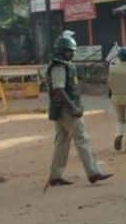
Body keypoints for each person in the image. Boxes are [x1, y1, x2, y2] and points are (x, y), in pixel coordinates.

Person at [46, 33, 112, 187]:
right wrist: (73, 108)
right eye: (70, 51)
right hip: (67, 110)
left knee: (62, 142)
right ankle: (93, 172)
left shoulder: (62, 65)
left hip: (61, 110)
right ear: (62, 51)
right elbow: (59, 90)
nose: (72, 53)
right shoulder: (59, 66)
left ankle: (55, 176)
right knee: (82, 139)